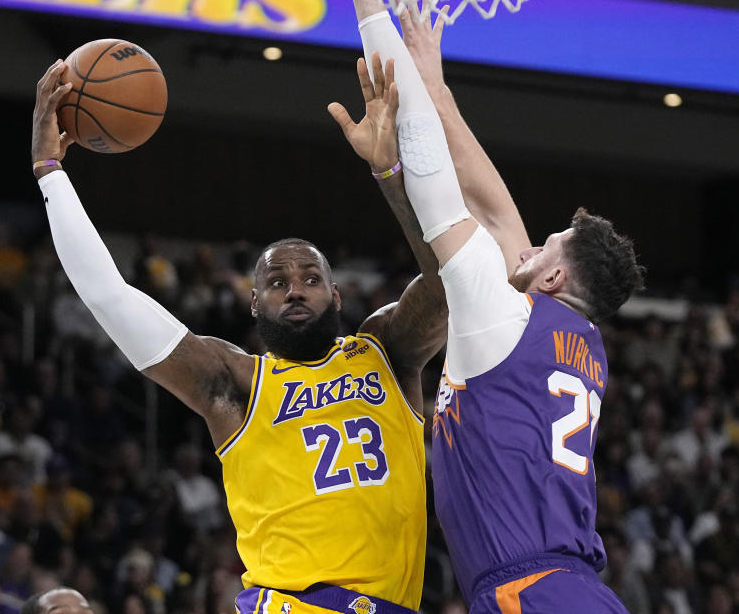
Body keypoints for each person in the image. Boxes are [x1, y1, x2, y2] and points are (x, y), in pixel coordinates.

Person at [30, 57, 446, 614]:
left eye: (310, 278)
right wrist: (50, 172)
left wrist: (392, 174)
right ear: (254, 304)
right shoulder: (236, 383)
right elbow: (110, 296)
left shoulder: (386, 351)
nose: (295, 289)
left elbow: (451, 278)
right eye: (277, 281)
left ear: (338, 295)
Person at [338, 0, 645, 612]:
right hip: (569, 588)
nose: (527, 246)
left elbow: (434, 182)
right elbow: (497, 212)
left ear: (554, 278)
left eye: (545, 248)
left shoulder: (502, 315)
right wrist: (438, 90)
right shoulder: (574, 342)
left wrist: (368, 2)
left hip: (531, 593)